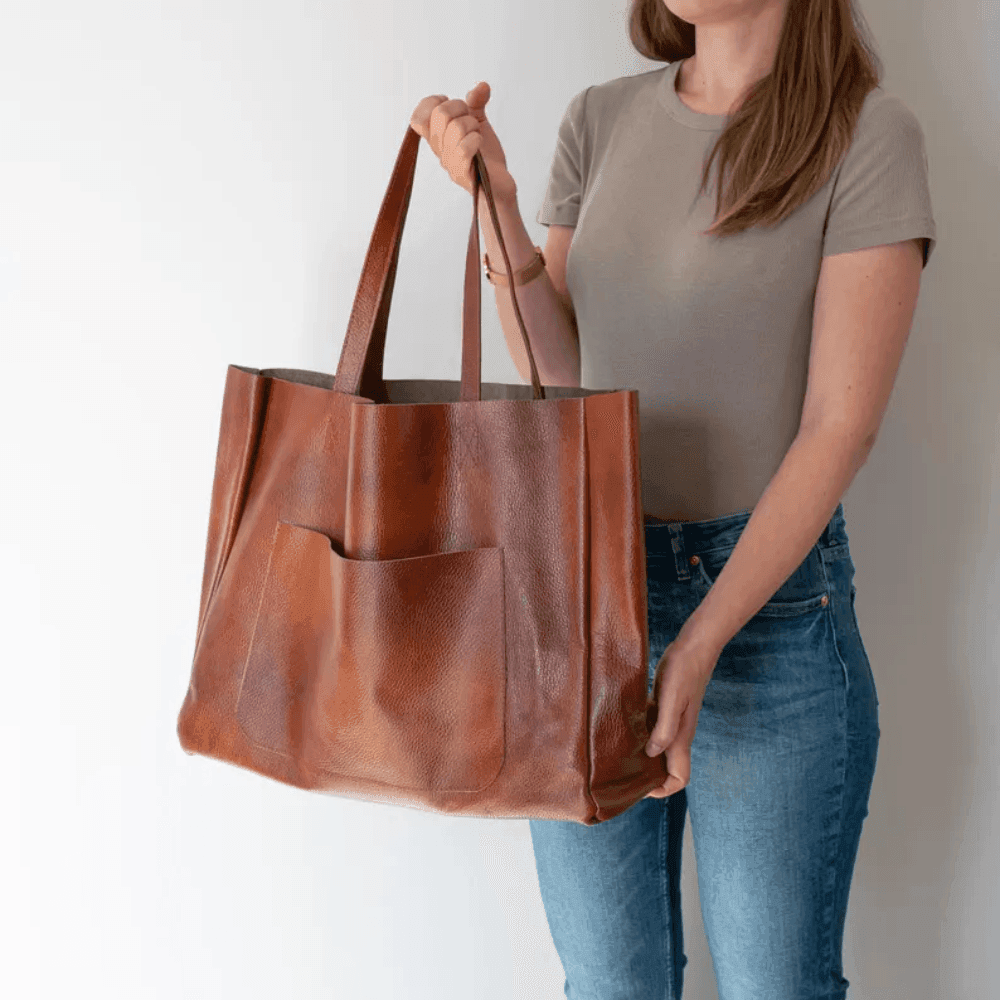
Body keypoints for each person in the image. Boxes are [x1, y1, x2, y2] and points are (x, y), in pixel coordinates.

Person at [410, 1, 936, 996]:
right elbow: (562, 380)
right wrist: (499, 208)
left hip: (771, 621)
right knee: (608, 986)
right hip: (586, 608)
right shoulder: (599, 119)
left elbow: (838, 429)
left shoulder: (866, 136)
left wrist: (698, 642)